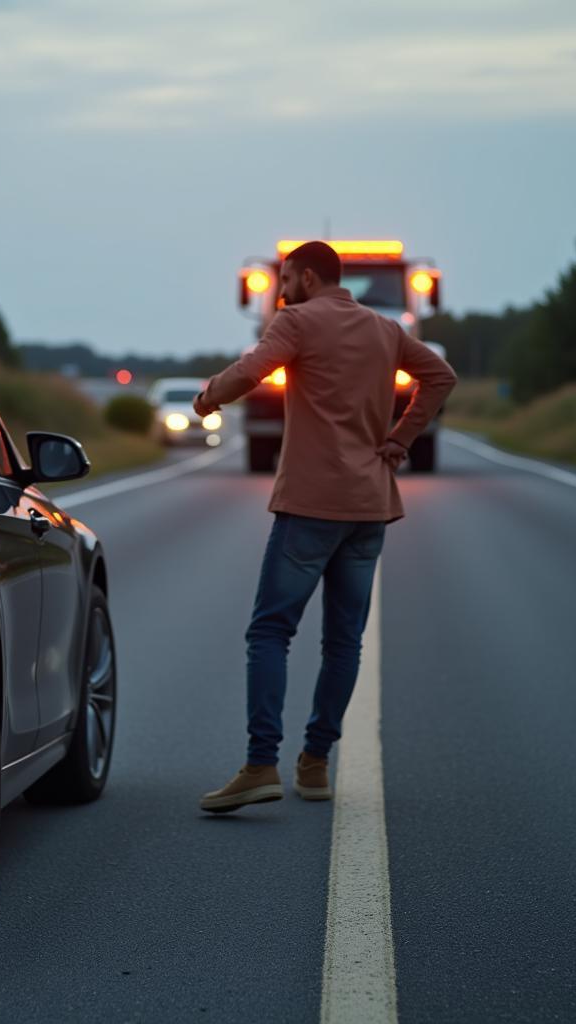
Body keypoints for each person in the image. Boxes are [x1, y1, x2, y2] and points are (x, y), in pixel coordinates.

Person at [195, 241, 456, 813]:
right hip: (368, 507)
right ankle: (315, 764)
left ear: (309, 278)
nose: (281, 290)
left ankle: (262, 764)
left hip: (311, 506)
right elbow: (440, 376)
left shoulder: (297, 321)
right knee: (344, 642)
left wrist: (208, 397)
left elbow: (250, 371)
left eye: (286, 278)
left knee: (269, 632)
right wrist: (399, 439)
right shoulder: (386, 329)